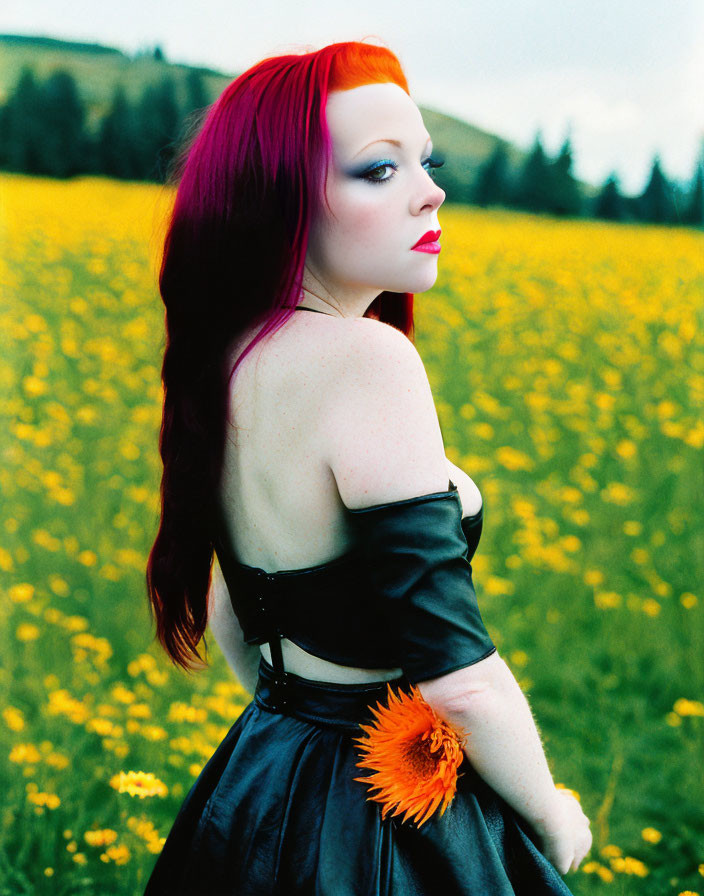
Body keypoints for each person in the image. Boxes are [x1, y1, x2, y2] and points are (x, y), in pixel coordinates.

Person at [143, 39, 592, 895]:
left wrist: (294, 718)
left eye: (426, 161)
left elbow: (241, 613)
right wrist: (550, 813)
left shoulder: (234, 355)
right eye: (379, 171)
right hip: (380, 806)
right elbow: (457, 678)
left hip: (261, 768)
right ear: (281, 207)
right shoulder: (368, 359)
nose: (433, 191)